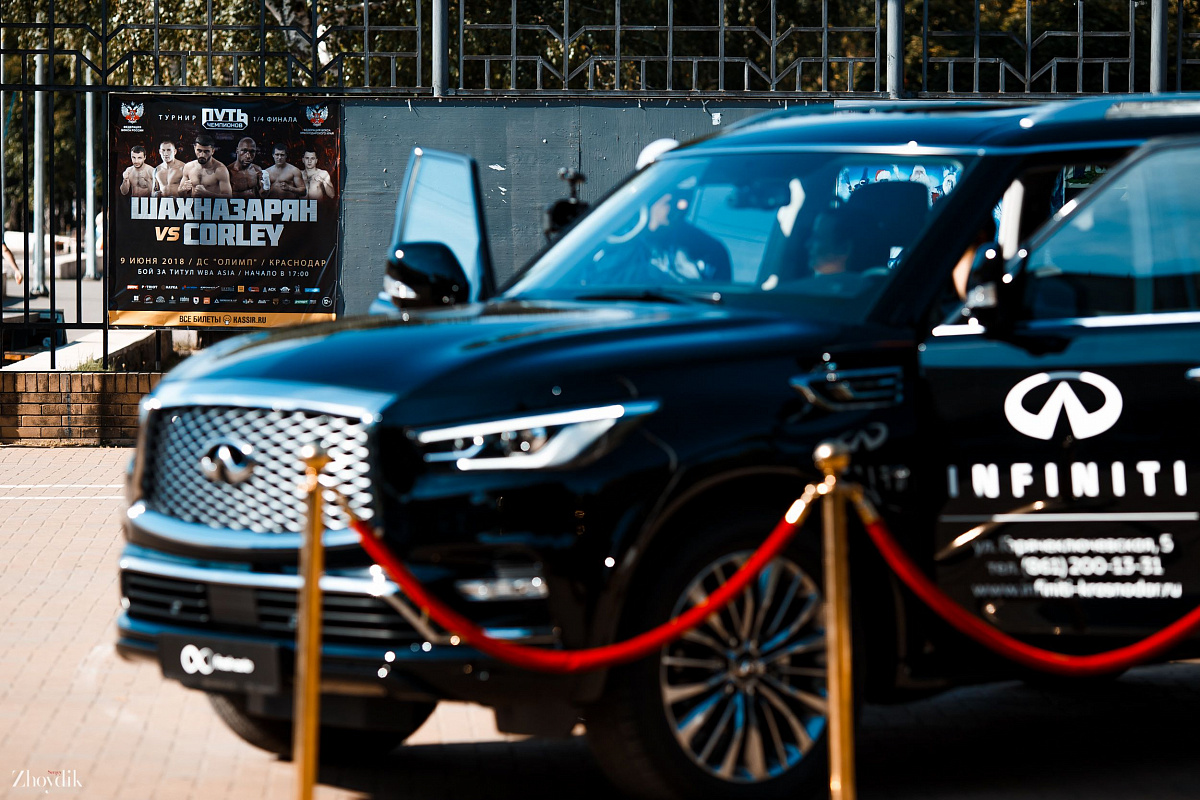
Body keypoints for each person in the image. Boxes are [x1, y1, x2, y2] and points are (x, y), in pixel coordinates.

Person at [180, 134, 232, 198]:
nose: (202, 154)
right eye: (199, 150)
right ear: (194, 148)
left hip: (212, 204)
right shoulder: (188, 167)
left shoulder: (220, 170)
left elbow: (228, 196)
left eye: (206, 151)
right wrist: (183, 190)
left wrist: (207, 194)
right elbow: (180, 193)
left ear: (212, 151)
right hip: (193, 203)